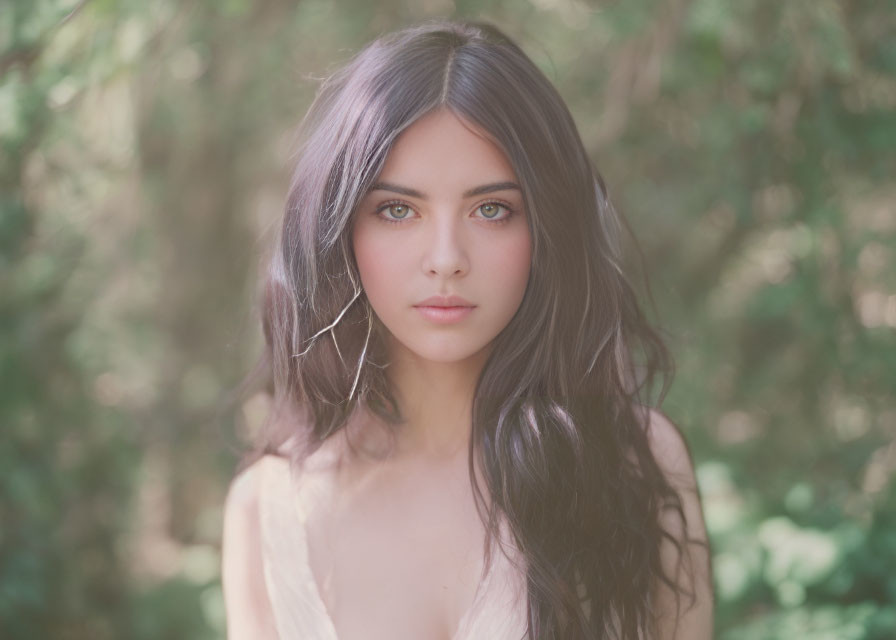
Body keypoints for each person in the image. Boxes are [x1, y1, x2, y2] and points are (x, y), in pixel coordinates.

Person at [221, 19, 713, 640]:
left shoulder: (635, 462)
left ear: (547, 230)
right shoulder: (268, 510)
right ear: (341, 229)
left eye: (492, 210)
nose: (446, 256)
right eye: (398, 209)